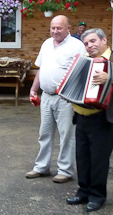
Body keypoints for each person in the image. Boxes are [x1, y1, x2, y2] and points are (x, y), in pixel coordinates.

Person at [66, 28, 113, 212]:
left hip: (103, 118)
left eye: (93, 41)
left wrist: (109, 77)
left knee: (99, 159)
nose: (89, 46)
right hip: (81, 117)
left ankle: (97, 196)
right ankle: (83, 192)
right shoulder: (84, 61)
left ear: (104, 40)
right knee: (82, 157)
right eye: (86, 43)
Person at [26, 15, 86, 184]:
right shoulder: (46, 44)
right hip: (46, 96)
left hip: (66, 99)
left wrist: (75, 96)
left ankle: (65, 170)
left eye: (59, 28)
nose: (55, 31)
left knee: (66, 135)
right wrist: (33, 89)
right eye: (53, 28)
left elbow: (83, 72)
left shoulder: (77, 46)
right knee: (44, 134)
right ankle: (41, 167)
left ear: (68, 28)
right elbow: (41, 69)